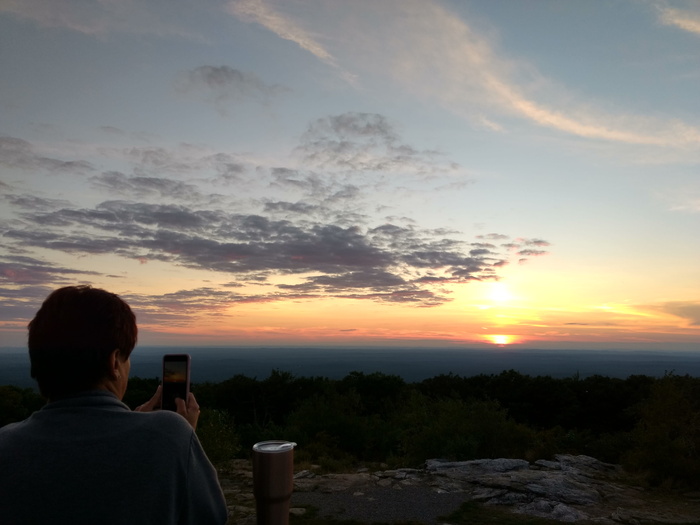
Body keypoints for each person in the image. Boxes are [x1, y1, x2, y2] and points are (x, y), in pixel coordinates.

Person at [0, 285, 229, 525]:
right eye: (126, 357)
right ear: (114, 364)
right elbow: (211, 517)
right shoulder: (171, 435)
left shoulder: (5, 444)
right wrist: (178, 436)